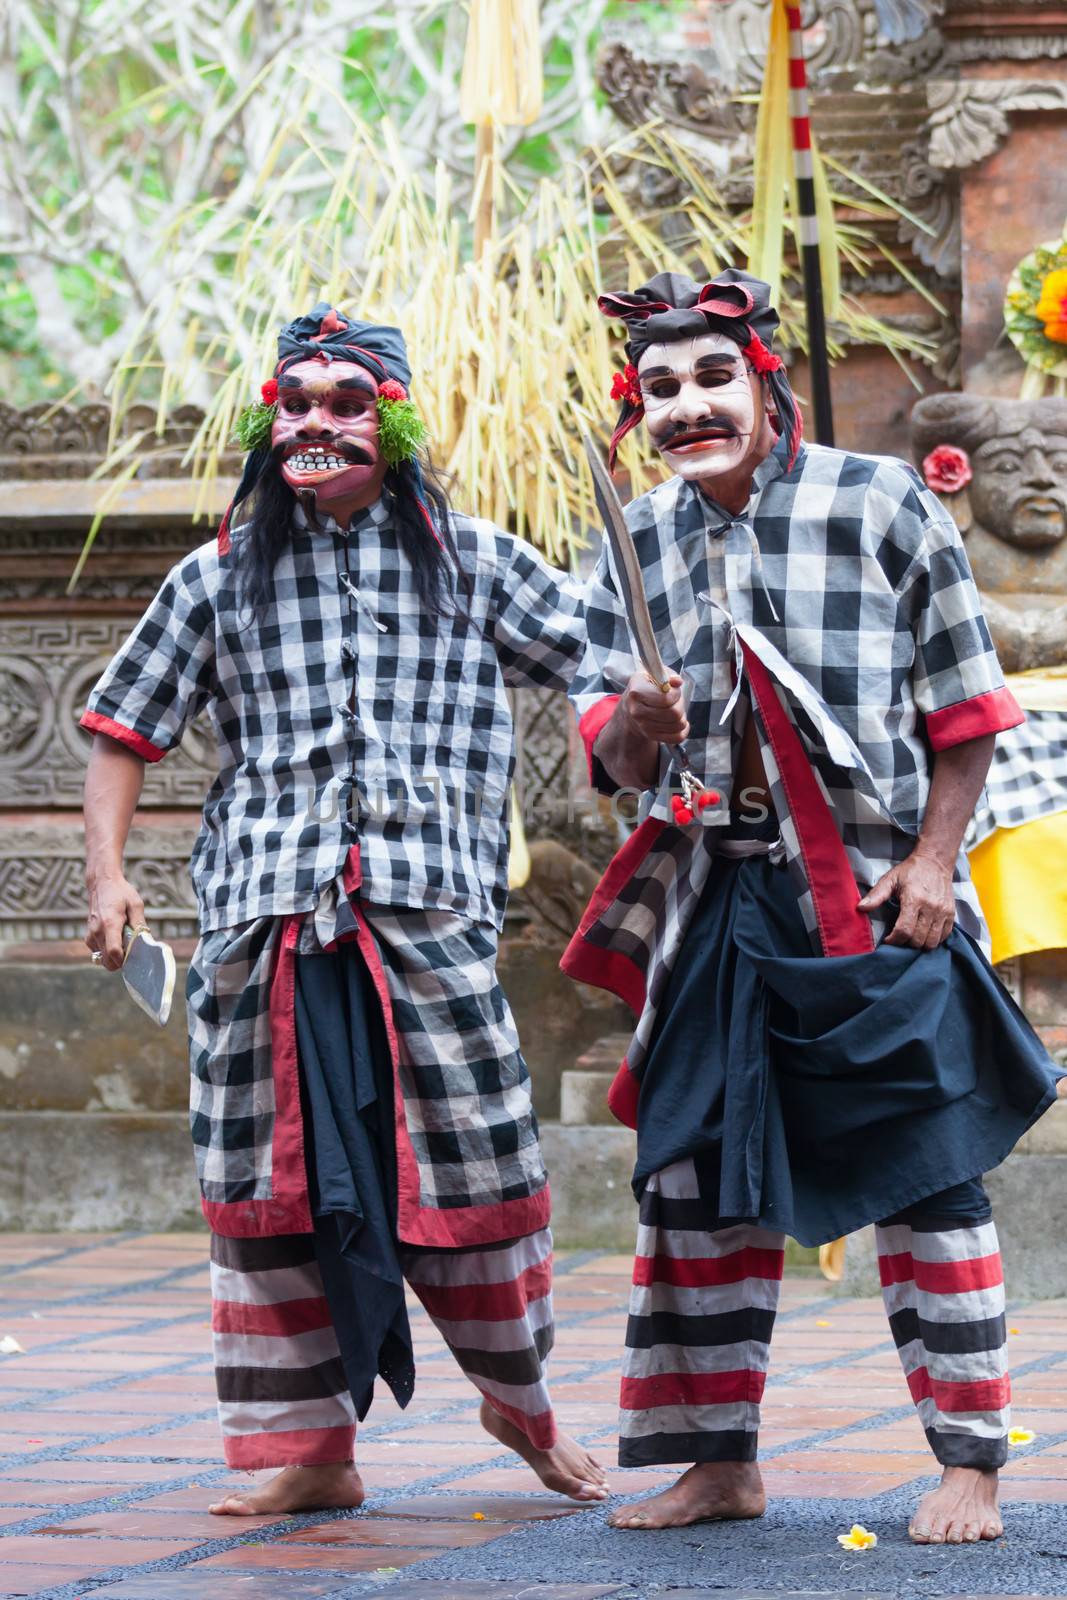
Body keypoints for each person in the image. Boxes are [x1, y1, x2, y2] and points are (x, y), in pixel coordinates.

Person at [81, 304, 606, 1515]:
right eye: (296, 403)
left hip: (428, 916)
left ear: (397, 420)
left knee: (480, 1174)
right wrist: (110, 876)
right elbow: (122, 726)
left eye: (345, 401)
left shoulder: (476, 561)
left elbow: (604, 669)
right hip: (262, 920)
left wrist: (640, 719)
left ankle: (518, 1403)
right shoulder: (214, 576)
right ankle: (304, 1455)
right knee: (265, 1189)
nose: (315, 422)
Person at [564, 270, 1060, 1546]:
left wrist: (936, 866)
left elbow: (966, 711)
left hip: (874, 896)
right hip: (713, 904)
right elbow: (609, 758)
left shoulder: (880, 500)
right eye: (659, 388)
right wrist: (637, 722)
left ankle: (970, 1462)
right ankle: (712, 1460)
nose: (686, 406)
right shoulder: (636, 538)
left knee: (929, 1174)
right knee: (687, 1178)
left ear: (764, 382)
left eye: (710, 378)